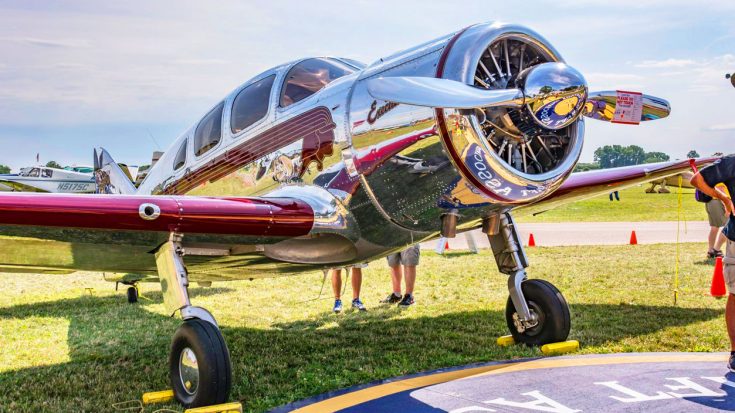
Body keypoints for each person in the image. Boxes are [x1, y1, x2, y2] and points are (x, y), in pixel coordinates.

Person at [690, 155, 735, 371]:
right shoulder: (730, 162)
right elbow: (697, 179)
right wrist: (725, 199)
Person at [706, 193, 728, 258]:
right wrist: (727, 204)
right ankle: (716, 250)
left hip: (712, 201)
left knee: (714, 227)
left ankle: (711, 251)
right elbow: (721, 189)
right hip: (718, 201)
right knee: (730, 226)